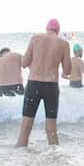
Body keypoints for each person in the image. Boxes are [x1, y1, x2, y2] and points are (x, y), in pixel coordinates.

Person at [17, 19, 71, 147]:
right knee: (51, 128)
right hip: (51, 86)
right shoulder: (63, 43)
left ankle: (20, 157)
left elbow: (24, 63)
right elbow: (67, 70)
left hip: (33, 84)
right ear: (58, 30)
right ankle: (54, 157)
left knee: (26, 126)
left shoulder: (35, 38)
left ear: (47, 28)